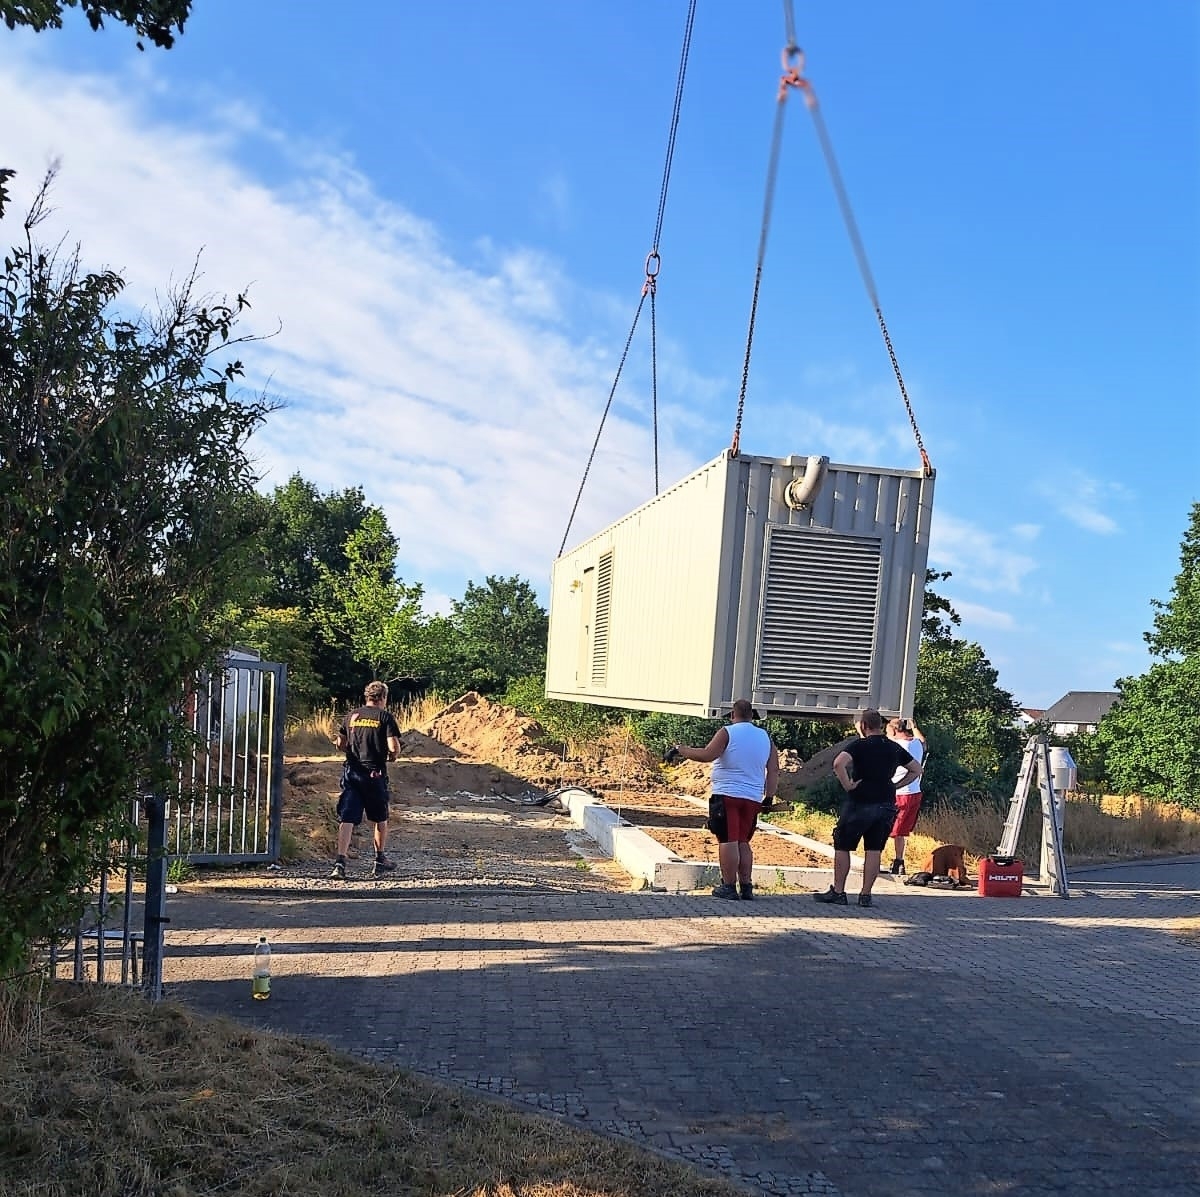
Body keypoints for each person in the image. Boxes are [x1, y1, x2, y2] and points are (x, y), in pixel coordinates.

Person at [671, 699, 779, 901]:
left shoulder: (727, 732)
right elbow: (773, 770)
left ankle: (728, 887)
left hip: (727, 794)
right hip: (752, 798)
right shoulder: (766, 738)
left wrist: (681, 750)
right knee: (743, 841)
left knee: (728, 839)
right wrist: (769, 797)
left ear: (732, 715)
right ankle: (746, 887)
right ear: (752, 716)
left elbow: (707, 755)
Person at [814, 709, 922, 908]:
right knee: (874, 849)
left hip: (860, 801)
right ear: (881, 726)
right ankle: (865, 895)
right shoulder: (893, 747)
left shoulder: (859, 745)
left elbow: (838, 764)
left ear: (864, 725)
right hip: (886, 803)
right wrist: (896, 785)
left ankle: (839, 891)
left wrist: (848, 785)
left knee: (843, 845)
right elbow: (917, 769)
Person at [329, 680, 402, 880]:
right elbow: (394, 747)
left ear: (367, 696)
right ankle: (379, 860)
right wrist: (392, 756)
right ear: (383, 697)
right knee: (379, 818)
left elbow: (340, 743)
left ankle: (340, 863)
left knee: (347, 818)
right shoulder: (385, 717)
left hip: (352, 773)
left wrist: (352, 751)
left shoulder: (351, 716)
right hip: (374, 775)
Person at [885, 717, 926, 875]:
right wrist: (914, 727)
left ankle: (875, 858)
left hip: (898, 792)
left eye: (888, 731)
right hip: (915, 792)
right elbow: (923, 741)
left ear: (895, 731)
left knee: (883, 827)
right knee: (901, 831)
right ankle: (899, 861)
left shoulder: (898, 745)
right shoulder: (916, 743)